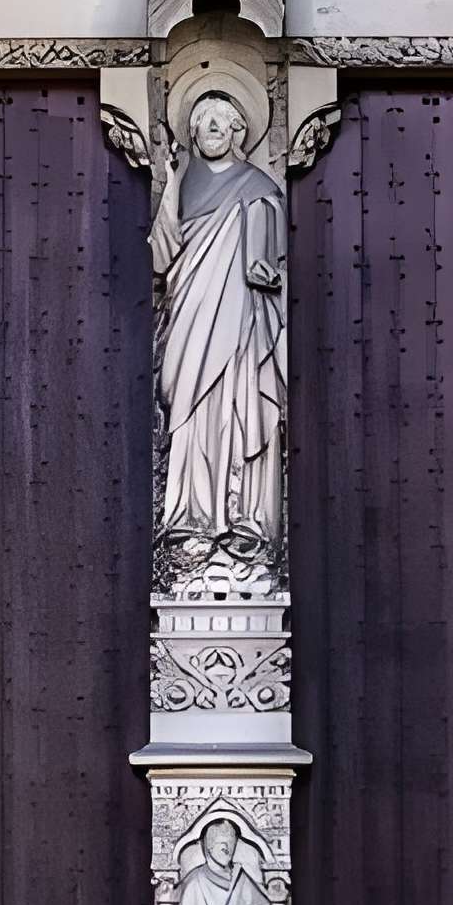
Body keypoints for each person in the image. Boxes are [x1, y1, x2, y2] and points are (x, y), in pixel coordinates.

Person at [151, 91, 285, 567]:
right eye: (202, 120)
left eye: (221, 120)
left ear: (238, 132)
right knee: (188, 404)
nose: (211, 127)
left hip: (241, 322)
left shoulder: (261, 187)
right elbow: (163, 253)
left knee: (238, 399)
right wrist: (168, 181)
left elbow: (269, 260)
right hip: (189, 314)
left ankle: (244, 519)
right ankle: (189, 519)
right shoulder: (181, 186)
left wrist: (260, 241)